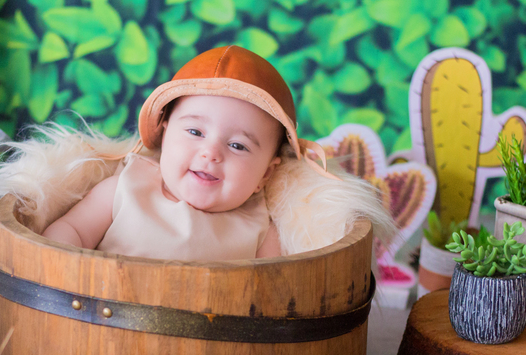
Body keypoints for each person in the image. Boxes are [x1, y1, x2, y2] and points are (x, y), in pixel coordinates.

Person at [43, 45, 327, 261]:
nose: (211, 153)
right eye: (195, 132)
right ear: (165, 134)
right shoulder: (125, 188)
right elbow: (72, 231)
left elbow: (275, 291)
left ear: (264, 174)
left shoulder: (260, 227)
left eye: (238, 145)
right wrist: (56, 263)